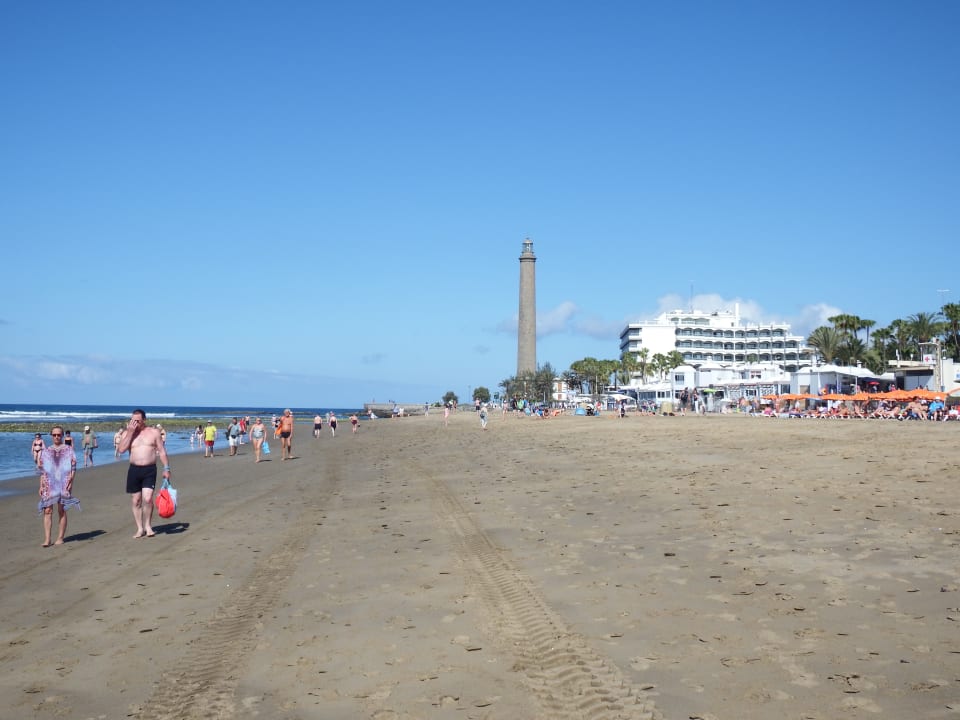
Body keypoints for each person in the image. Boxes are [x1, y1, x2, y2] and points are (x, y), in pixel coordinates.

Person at [117, 409, 171, 539]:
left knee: (147, 499)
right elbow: (121, 449)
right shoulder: (127, 433)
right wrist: (130, 433)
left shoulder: (154, 432)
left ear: (144, 420)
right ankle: (140, 528)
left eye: (137, 421)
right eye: (132, 420)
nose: (135, 423)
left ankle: (148, 526)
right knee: (136, 501)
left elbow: (162, 451)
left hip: (149, 469)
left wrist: (166, 468)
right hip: (134, 470)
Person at [37, 425, 80, 547]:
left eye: (59, 435)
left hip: (63, 483)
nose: (56, 437)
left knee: (61, 510)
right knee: (47, 510)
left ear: (62, 436)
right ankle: (47, 539)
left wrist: (71, 482)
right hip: (48, 483)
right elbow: (43, 470)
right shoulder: (46, 451)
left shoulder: (69, 450)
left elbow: (73, 467)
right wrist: (41, 485)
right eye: (54, 435)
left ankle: (60, 538)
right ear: (51, 436)